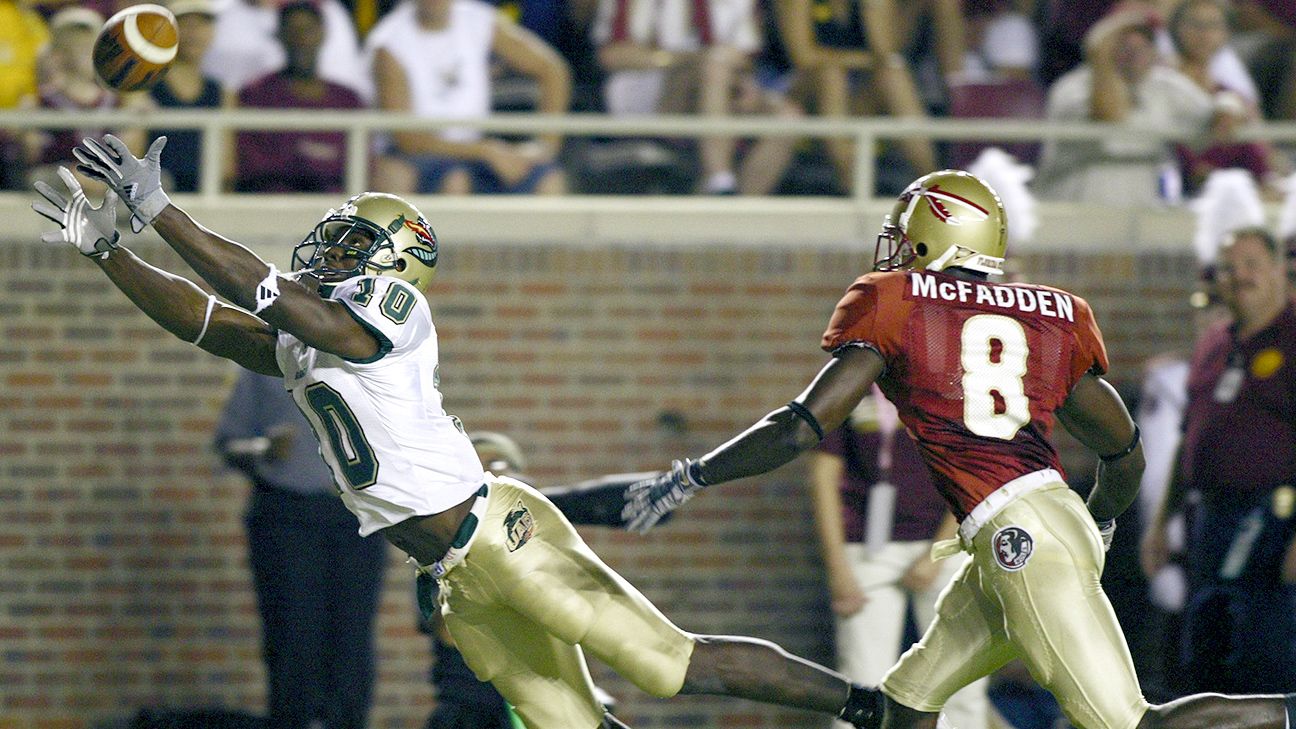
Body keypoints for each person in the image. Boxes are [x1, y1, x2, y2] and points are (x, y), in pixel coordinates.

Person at [31, 131, 888, 729]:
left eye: (350, 240)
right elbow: (210, 322)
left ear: (390, 259)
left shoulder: (389, 310)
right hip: (451, 569)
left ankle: (871, 708)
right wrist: (110, 251)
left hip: (502, 535)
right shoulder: (305, 329)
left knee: (667, 664)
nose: (326, 249)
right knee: (567, 722)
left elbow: (279, 302)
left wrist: (166, 214)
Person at [616, 168, 1296, 729]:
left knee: (1130, 724)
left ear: (933, 237)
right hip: (1036, 522)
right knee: (903, 709)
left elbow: (801, 425)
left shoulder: (896, 302)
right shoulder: (1052, 315)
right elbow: (1127, 453)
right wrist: (1101, 523)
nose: (894, 249)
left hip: (1019, 537)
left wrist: (691, 476)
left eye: (906, 235)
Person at [1141, 226, 1296, 695]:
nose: (1239, 276)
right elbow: (1191, 436)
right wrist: (1159, 523)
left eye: (1251, 264)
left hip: (1274, 521)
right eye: (1229, 268)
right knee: (1205, 652)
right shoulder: (1213, 343)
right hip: (1207, 518)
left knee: (1266, 655)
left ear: (1277, 271)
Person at [215, 369, 387, 729]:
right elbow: (229, 442)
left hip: (356, 516)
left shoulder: (368, 367)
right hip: (287, 514)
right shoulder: (265, 366)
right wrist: (264, 448)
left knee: (352, 641)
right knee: (293, 637)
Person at [809, 386, 988, 729]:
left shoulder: (951, 382)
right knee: (861, 682)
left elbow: (973, 470)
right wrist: (838, 569)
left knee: (962, 680)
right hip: (866, 549)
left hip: (947, 545)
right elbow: (823, 477)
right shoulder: (849, 383)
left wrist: (938, 550)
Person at [589, 0, 802, 196]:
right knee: (713, 67)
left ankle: (738, 214)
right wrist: (681, 60)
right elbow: (611, 55)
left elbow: (745, 55)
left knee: (787, 116)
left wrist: (740, 83)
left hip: (722, 86)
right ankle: (719, 178)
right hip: (649, 87)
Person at [365, 0, 570, 195]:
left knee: (549, 180)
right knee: (455, 180)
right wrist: (486, 152)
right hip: (420, 155)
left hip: (477, 149)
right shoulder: (389, 42)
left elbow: (553, 70)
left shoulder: (479, 21)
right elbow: (407, 138)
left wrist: (545, 146)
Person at [1034, 4, 1213, 206]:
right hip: (1074, 214)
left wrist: (1229, 105)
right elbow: (1108, 114)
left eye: (1143, 44)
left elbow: (1214, 114)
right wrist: (1101, 57)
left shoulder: (1165, 84)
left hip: (1140, 219)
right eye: (1123, 45)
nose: (1134, 53)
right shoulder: (1071, 88)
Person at [233, 0, 365, 193]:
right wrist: (312, 156)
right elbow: (252, 166)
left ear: (323, 33)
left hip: (337, 208)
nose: (301, 39)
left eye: (308, 30)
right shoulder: (257, 94)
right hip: (272, 205)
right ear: (279, 35)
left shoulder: (348, 100)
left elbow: (362, 168)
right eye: (292, 30)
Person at [148, 0, 231, 194]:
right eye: (184, 23)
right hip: (154, 200)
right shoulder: (144, 86)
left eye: (201, 24)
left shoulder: (222, 93)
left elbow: (227, 167)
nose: (193, 32)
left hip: (206, 201)